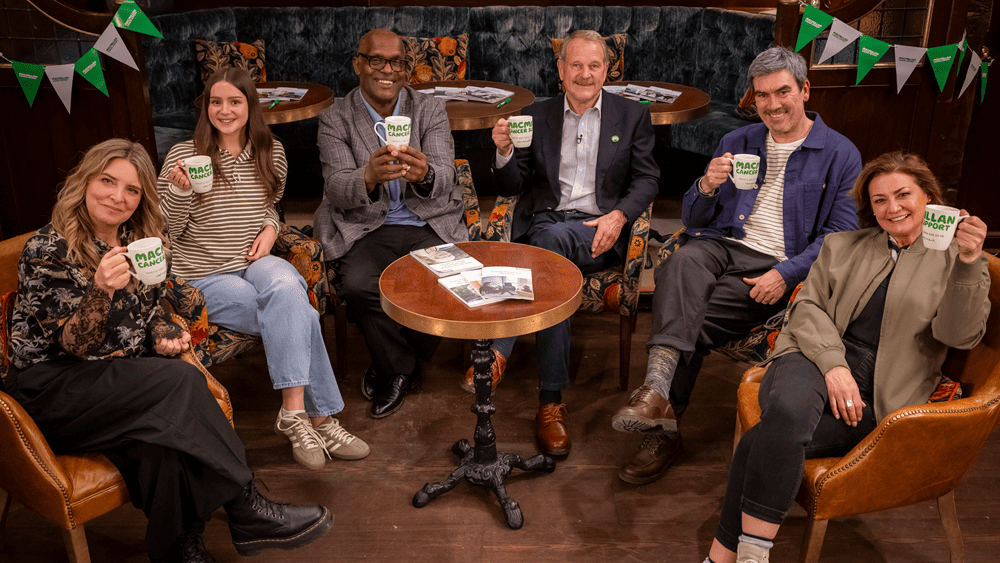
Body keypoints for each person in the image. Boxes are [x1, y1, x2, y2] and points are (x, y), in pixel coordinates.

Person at [5, 139, 334, 563]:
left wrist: (161, 330)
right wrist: (101, 290)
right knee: (181, 380)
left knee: (163, 444)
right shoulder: (48, 249)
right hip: (49, 390)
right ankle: (247, 505)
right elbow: (75, 345)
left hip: (113, 382)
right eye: (107, 181)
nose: (117, 197)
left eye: (132, 190)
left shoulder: (138, 241)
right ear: (85, 181)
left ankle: (178, 547)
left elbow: (150, 308)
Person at [704, 151, 990, 563]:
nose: (893, 208)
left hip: (881, 393)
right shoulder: (842, 246)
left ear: (930, 198)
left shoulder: (960, 261)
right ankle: (755, 556)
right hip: (811, 358)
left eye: (903, 194)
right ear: (870, 209)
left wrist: (966, 261)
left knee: (762, 441)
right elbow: (807, 309)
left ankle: (721, 557)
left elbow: (959, 337)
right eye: (879, 200)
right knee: (787, 412)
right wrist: (834, 366)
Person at [611, 46, 863, 484]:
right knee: (684, 260)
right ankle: (655, 392)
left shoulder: (840, 154)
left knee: (688, 315)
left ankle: (662, 421)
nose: (771, 105)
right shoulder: (737, 141)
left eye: (782, 92)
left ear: (804, 90)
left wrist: (785, 274)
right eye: (761, 95)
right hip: (720, 247)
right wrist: (706, 186)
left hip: (773, 265)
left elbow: (838, 240)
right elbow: (694, 221)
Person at [159, 67, 367, 471]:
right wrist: (180, 194)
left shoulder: (272, 152)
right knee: (301, 313)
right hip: (203, 276)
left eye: (234, 101)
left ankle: (293, 413)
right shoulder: (184, 156)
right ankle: (319, 418)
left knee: (287, 288)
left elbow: (269, 205)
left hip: (253, 261)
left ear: (249, 106)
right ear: (205, 109)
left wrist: (272, 228)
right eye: (215, 102)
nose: (224, 110)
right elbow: (167, 228)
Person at [487, 30, 659, 456]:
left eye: (594, 65)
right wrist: (505, 152)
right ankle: (550, 405)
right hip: (547, 224)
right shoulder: (536, 114)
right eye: (575, 65)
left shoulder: (631, 116)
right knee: (554, 268)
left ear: (607, 70)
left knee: (546, 249)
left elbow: (648, 178)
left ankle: (496, 351)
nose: (585, 74)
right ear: (560, 71)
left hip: (598, 229)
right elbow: (515, 183)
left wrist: (619, 216)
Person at [313, 29, 466, 419]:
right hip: (366, 226)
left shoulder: (428, 109)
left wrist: (426, 174)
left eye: (396, 62)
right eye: (376, 60)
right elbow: (334, 185)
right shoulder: (335, 117)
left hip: (425, 221)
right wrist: (367, 176)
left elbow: (448, 174)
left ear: (406, 69)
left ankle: (391, 360)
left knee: (446, 283)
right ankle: (401, 368)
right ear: (358, 64)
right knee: (359, 286)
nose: (387, 70)